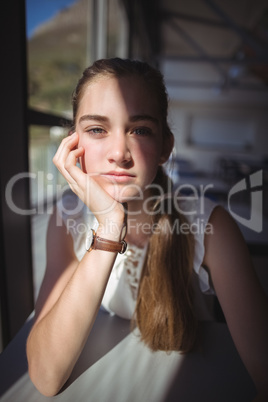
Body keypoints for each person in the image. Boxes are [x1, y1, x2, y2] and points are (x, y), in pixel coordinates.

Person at [26, 58, 268, 400]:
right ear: (73, 146)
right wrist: (110, 228)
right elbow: (45, 375)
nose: (119, 153)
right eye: (97, 129)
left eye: (139, 130)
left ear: (165, 147)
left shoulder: (210, 225)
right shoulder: (66, 218)